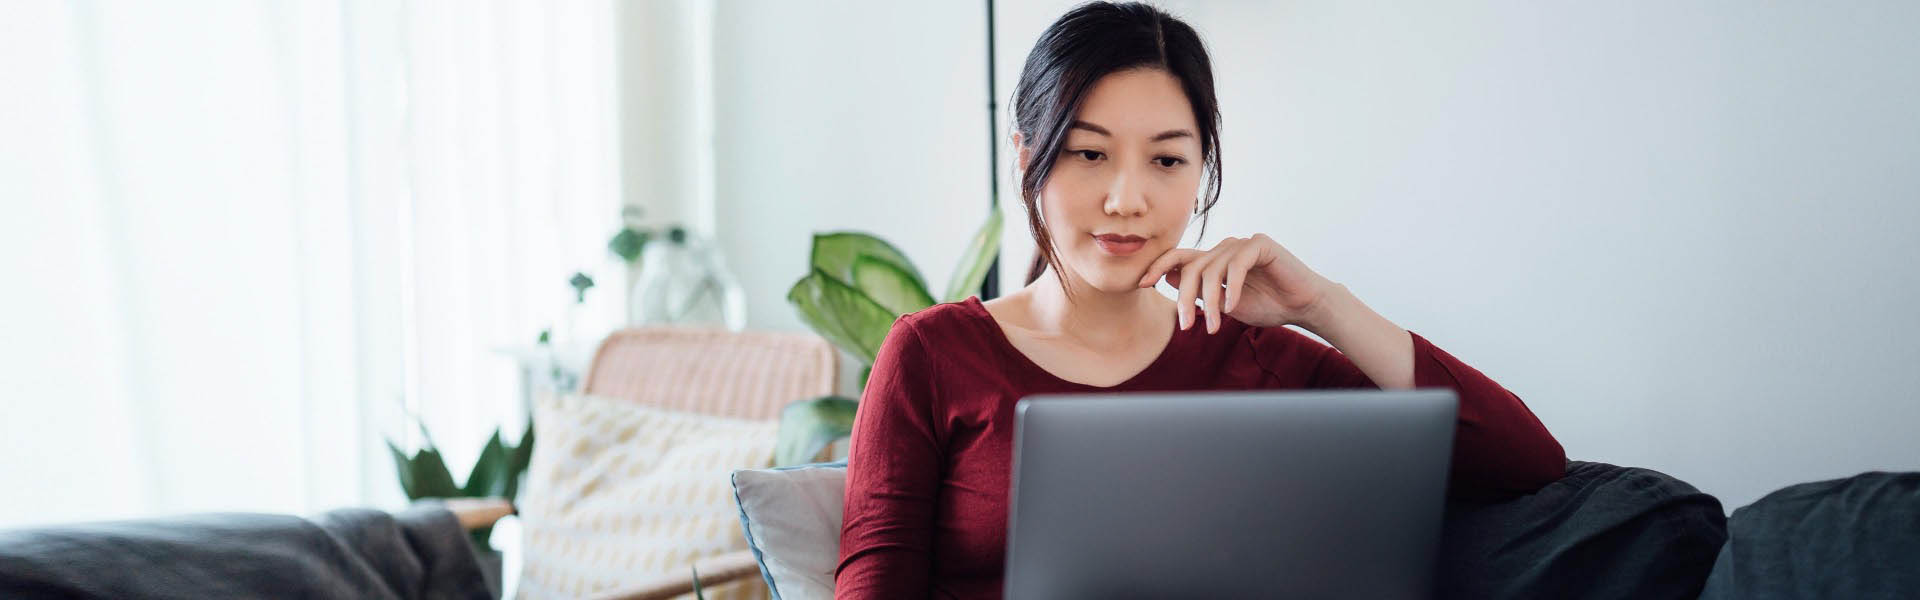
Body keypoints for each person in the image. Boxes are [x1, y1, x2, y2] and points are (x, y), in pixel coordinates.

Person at [835, 3, 1565, 598]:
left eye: (1166, 160)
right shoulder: (931, 355)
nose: (1128, 200)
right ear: (1027, 157)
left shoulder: (1253, 353)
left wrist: (1323, 306)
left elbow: (1526, 463)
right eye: (1090, 153)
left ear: (1200, 171)